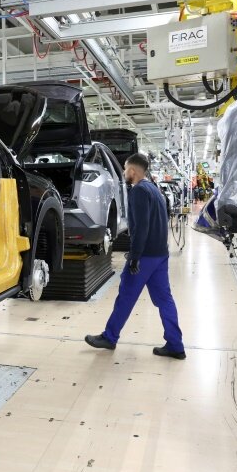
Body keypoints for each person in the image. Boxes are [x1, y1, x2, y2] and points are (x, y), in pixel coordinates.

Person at [84, 153, 185, 359]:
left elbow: (141, 227)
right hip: (160, 255)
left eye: (124, 168)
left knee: (126, 297)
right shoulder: (155, 190)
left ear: (132, 171)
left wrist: (135, 257)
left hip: (145, 257)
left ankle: (109, 337)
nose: (123, 172)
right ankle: (175, 344)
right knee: (165, 300)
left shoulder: (139, 191)